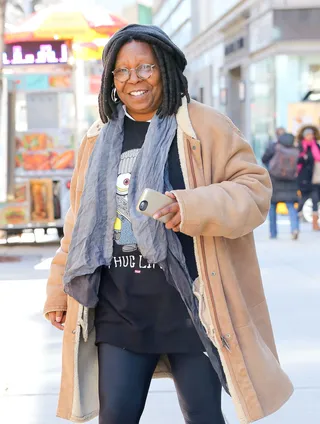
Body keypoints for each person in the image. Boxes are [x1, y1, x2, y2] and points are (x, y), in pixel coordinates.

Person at [43, 25, 293, 424]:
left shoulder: (204, 127)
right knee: (117, 416)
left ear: (166, 67)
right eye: (121, 71)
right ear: (111, 80)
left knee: (203, 416)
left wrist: (191, 206)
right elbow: (79, 222)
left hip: (192, 307)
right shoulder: (99, 138)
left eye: (145, 67)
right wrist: (58, 289)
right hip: (119, 308)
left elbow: (255, 190)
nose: (133, 80)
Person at [262, 132, 300, 240]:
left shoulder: (274, 147)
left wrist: (271, 168)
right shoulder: (295, 149)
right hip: (291, 181)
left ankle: (273, 233)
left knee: (273, 207)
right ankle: (294, 228)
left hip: (275, 180)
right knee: (291, 206)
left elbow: (264, 158)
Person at [296, 126, 320, 231]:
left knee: (315, 199)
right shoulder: (300, 147)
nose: (310, 136)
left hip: (315, 178)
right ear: (304, 136)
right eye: (308, 134)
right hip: (304, 178)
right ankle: (296, 217)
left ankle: (315, 224)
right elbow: (297, 160)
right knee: (303, 199)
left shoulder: (317, 146)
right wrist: (303, 158)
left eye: (311, 134)